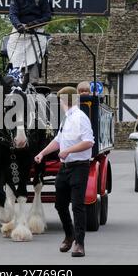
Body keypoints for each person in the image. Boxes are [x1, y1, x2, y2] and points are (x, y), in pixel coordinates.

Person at [34, 86, 94, 257]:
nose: (59, 103)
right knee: (60, 205)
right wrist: (42, 153)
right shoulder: (67, 119)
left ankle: (79, 244)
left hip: (79, 166)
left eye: (59, 100)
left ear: (63, 101)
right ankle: (69, 235)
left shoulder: (80, 118)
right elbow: (58, 140)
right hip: (65, 167)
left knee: (77, 206)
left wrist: (69, 151)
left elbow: (89, 142)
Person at [7, 0, 52, 85]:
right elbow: (12, 14)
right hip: (19, 31)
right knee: (15, 53)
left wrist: (34, 24)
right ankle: (17, 80)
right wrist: (18, 25)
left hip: (37, 31)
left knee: (36, 56)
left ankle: (33, 82)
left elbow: (47, 16)